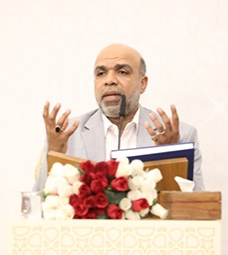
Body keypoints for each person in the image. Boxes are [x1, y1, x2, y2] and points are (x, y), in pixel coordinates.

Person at [34, 43, 204, 191]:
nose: (109, 80)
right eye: (101, 73)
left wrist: (170, 155)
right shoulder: (67, 133)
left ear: (142, 84)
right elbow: (39, 203)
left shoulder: (179, 135)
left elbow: (197, 207)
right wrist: (55, 152)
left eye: (122, 72)